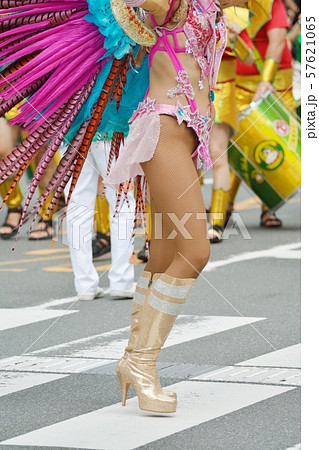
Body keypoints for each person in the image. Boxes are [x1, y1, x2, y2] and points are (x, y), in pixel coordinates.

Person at [0, 0, 247, 414]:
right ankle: (141, 362)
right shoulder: (173, 3)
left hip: (191, 135)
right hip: (164, 130)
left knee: (165, 255)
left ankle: (134, 359)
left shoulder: (213, 4)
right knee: (196, 251)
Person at [228, 0, 296, 227]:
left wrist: (265, 81)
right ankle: (225, 204)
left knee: (271, 141)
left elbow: (277, 42)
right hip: (237, 81)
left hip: (275, 80)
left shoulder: (270, 3)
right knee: (237, 141)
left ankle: (269, 209)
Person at [64, 139, 136, 301]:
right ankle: (121, 281)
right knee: (121, 200)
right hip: (110, 126)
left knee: (78, 204)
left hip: (71, 125)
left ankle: (84, 283)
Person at [208, 6, 254, 243]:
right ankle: (189, 222)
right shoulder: (188, 9)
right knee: (188, 160)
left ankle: (216, 221)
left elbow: (249, 58)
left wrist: (235, 38)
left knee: (218, 156)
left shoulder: (236, 14)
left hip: (223, 92)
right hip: (192, 90)